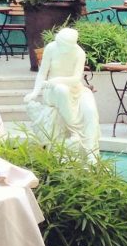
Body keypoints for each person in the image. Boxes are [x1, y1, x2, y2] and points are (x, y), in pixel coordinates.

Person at [24, 27, 100, 158]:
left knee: (90, 109)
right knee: (61, 89)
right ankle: (74, 130)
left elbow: (76, 78)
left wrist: (57, 80)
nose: (59, 45)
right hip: (53, 91)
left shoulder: (79, 53)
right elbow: (42, 73)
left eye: (62, 44)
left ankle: (90, 152)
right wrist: (35, 92)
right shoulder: (51, 48)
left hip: (75, 89)